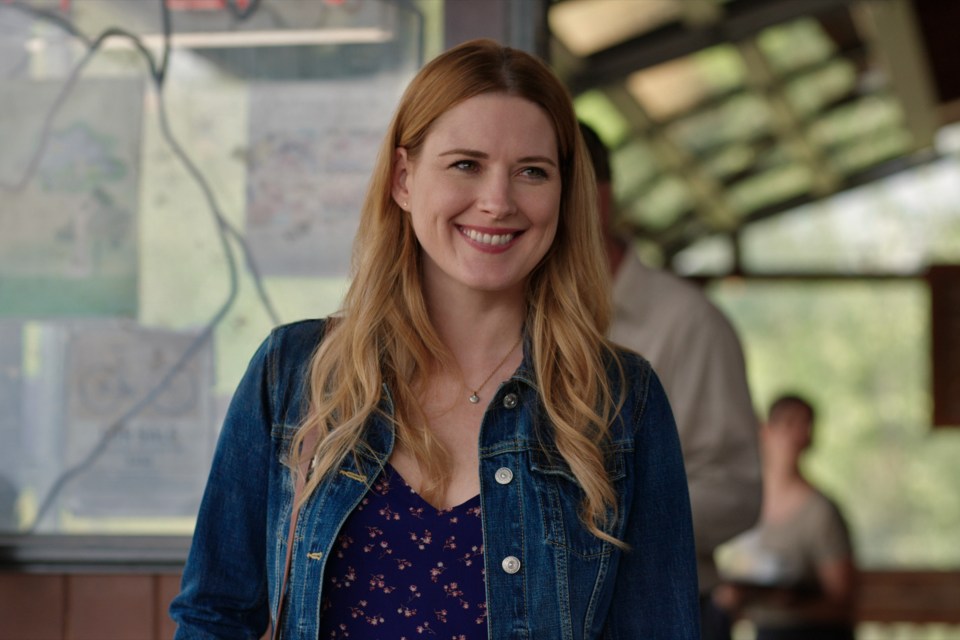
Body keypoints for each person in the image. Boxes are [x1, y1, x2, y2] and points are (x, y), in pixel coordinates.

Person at [170, 39, 700, 639]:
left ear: (562, 193)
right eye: (466, 164)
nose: (498, 202)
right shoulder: (294, 372)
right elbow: (213, 616)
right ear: (403, 178)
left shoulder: (619, 400)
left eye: (532, 171)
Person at [578, 122, 762, 639]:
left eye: (539, 176)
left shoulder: (688, 322)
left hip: (658, 610)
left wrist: (587, 521)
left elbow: (735, 491)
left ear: (599, 197)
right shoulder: (514, 319)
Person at [714, 394, 858, 640]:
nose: (797, 435)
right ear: (765, 431)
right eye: (789, 424)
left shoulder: (820, 513)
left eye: (806, 426)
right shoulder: (745, 506)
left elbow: (842, 601)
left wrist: (788, 603)